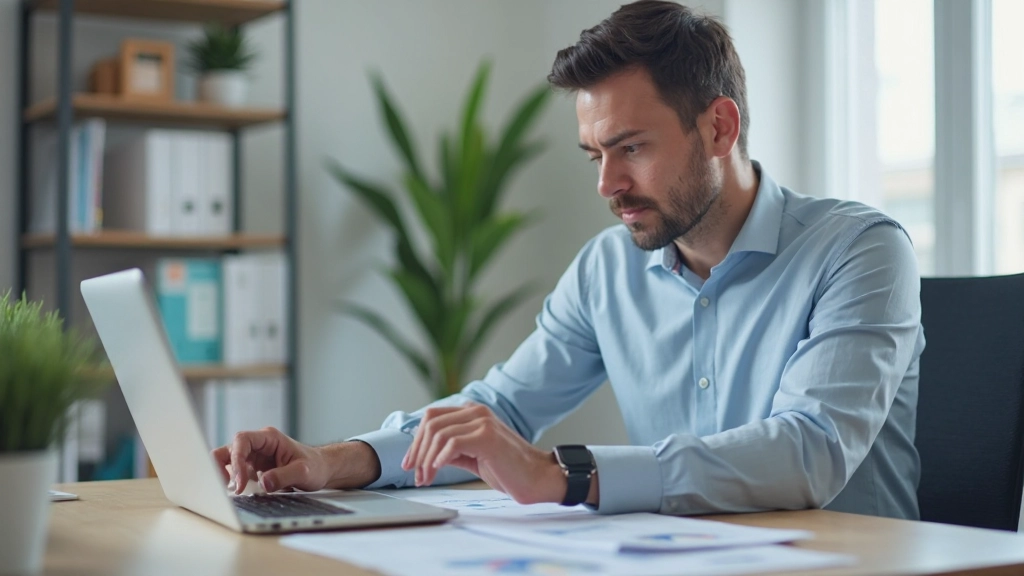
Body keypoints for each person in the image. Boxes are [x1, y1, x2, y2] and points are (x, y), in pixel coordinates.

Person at [214, 0, 925, 520]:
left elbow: (810, 452)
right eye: (596, 154)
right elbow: (499, 410)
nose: (607, 185)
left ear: (718, 126)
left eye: (632, 148)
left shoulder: (859, 251)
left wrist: (564, 474)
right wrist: (332, 462)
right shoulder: (607, 270)